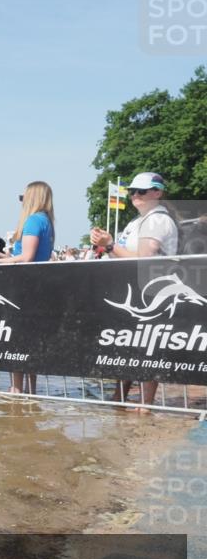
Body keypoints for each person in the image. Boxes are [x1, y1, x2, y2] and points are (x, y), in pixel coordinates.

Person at [90, 172, 179, 408]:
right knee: (127, 348)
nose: (135, 196)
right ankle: (119, 399)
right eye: (133, 191)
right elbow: (122, 256)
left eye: (142, 191)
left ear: (157, 192)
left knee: (147, 349)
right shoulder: (136, 222)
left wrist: (109, 244)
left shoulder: (157, 220)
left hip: (152, 293)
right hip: (134, 291)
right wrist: (105, 245)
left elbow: (144, 258)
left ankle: (144, 407)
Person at [0, 181, 56, 394]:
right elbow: (31, 257)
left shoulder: (33, 220)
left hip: (24, 286)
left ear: (33, 198)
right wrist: (4, 257)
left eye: (23, 198)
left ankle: (16, 389)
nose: (21, 203)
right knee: (29, 339)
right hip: (38, 285)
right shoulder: (47, 222)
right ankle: (30, 389)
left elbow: (27, 257)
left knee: (17, 340)